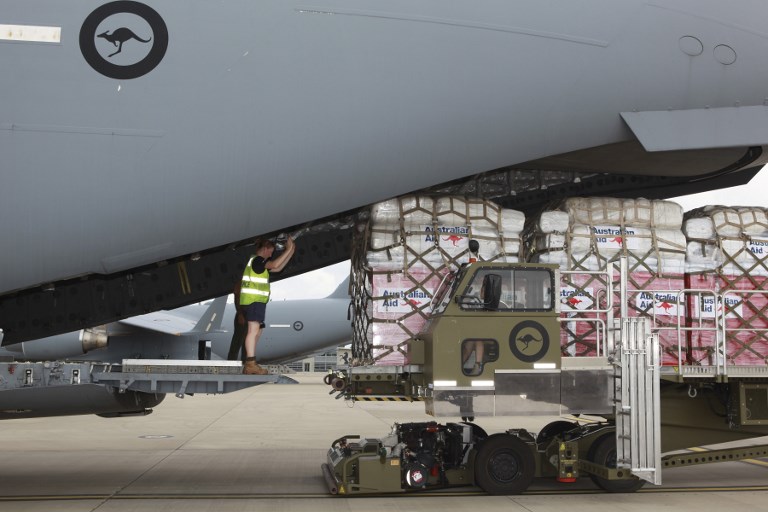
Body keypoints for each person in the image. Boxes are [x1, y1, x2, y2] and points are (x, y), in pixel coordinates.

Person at [240, 236, 296, 375]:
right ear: (264, 249)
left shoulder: (257, 263)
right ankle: (250, 363)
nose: (271, 255)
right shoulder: (258, 261)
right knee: (253, 331)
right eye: (270, 252)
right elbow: (275, 265)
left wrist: (291, 251)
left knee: (258, 331)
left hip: (254, 302)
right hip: (253, 301)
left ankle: (250, 361)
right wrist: (288, 249)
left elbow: (278, 268)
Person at [226, 281, 247, 363]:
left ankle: (245, 363)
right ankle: (231, 362)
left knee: (247, 342)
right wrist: (240, 314)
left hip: (249, 314)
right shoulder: (242, 281)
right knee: (238, 341)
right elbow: (237, 296)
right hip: (243, 314)